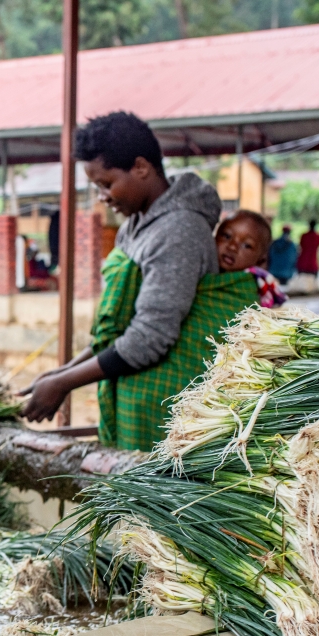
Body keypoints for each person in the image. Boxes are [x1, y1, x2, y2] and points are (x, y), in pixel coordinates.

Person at [22, 111, 259, 451]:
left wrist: (64, 383)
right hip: (139, 400)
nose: (103, 196)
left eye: (106, 184)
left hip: (168, 407)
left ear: (141, 168)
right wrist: (59, 375)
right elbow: (122, 329)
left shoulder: (178, 231)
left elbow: (149, 338)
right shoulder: (136, 226)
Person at [215, 210, 286, 308]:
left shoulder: (253, 289)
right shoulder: (203, 274)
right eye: (227, 236)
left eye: (247, 245)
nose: (232, 247)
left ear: (260, 258)